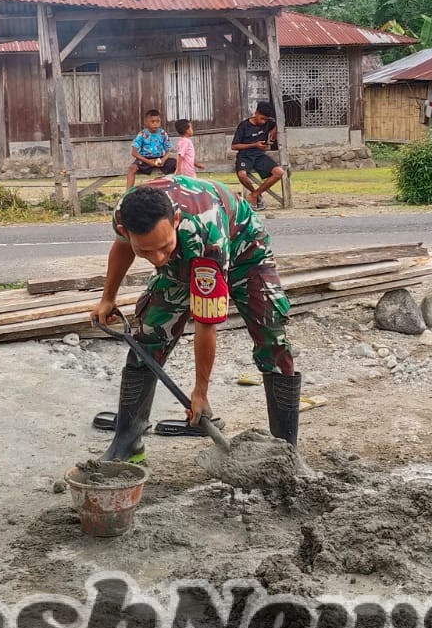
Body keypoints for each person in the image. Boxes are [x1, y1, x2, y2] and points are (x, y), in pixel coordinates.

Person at [89, 177, 299, 464]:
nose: (158, 259)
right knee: (149, 337)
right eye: (146, 251)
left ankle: (285, 453)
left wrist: (201, 392)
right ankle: (127, 445)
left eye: (162, 246)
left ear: (175, 219)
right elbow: (123, 246)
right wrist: (107, 298)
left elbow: (206, 322)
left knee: (272, 339)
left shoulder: (205, 235)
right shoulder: (125, 213)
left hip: (245, 254)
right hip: (185, 253)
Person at [232, 102, 284, 206]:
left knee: (279, 172)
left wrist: (273, 133)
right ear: (256, 113)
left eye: (266, 119)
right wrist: (254, 144)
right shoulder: (244, 126)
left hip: (260, 155)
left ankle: (255, 195)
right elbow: (234, 146)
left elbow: (279, 125)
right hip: (245, 155)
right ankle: (255, 193)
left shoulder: (268, 123)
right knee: (242, 175)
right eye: (262, 118)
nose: (263, 122)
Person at [126, 108, 176, 189]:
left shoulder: (163, 133)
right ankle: (127, 193)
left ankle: (175, 189)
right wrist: (148, 161)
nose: (155, 124)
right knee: (132, 168)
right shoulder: (142, 134)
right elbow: (134, 153)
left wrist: (163, 159)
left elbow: (168, 150)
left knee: (178, 164)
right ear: (146, 122)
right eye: (152, 121)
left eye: (158, 121)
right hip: (145, 159)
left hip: (160, 159)